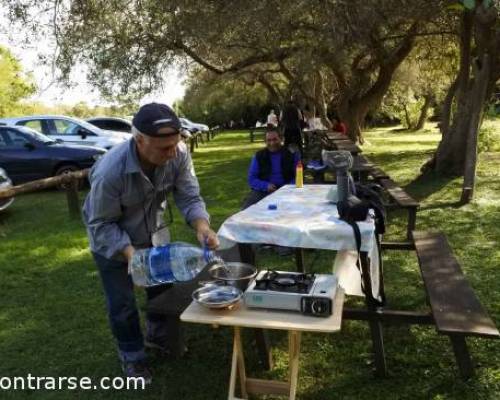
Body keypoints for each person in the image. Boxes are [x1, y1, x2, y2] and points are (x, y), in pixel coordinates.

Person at [82, 103, 219, 383]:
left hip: (155, 237)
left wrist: (202, 226)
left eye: (175, 145)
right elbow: (100, 224)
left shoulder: (177, 154)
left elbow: (189, 196)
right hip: (112, 243)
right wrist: (132, 255)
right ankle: (132, 357)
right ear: (139, 140)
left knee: (161, 291)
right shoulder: (111, 171)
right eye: (164, 148)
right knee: (122, 305)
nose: (172, 153)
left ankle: (158, 337)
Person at [242, 129, 300, 209]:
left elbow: (298, 176)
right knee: (246, 210)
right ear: (265, 141)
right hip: (263, 191)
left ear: (281, 139)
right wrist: (266, 186)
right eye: (268, 140)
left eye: (275, 139)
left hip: (287, 190)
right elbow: (252, 179)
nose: (272, 143)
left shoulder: (292, 154)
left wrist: (287, 188)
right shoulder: (259, 156)